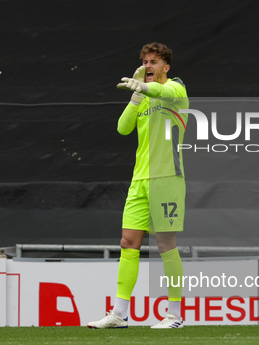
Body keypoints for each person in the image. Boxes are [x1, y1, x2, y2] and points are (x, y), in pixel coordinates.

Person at [87, 42, 188, 329]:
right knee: (127, 243)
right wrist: (136, 94)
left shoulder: (176, 90)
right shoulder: (143, 95)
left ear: (166, 66)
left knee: (166, 244)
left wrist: (145, 88)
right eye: (145, 61)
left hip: (167, 178)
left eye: (154, 62)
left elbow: (162, 91)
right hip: (139, 180)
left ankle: (175, 315)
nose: (148, 67)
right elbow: (122, 127)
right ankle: (119, 314)